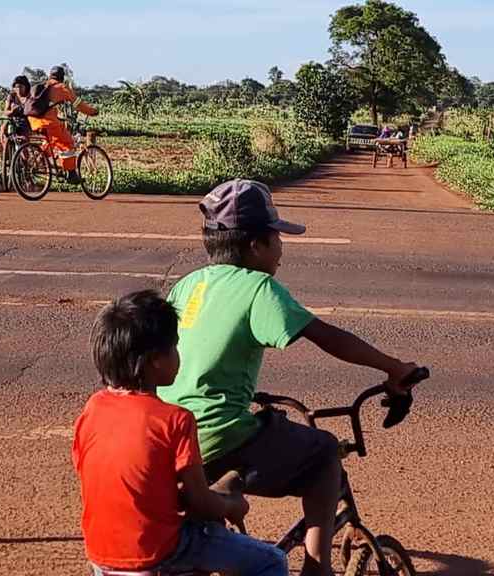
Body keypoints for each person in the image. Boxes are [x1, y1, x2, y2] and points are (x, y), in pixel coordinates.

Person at [158, 179, 421, 576]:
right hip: (221, 433)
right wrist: (393, 368)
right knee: (323, 453)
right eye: (277, 238)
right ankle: (318, 568)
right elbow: (328, 337)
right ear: (254, 245)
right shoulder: (258, 286)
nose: (281, 249)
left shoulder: (187, 284)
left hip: (171, 437)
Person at [73, 290, 287, 576]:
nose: (178, 354)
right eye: (174, 347)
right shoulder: (175, 419)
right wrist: (232, 505)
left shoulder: (93, 409)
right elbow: (201, 500)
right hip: (157, 553)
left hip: (102, 555)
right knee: (271, 561)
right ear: (155, 360)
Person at [27, 65, 98, 181]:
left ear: (50, 75)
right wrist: (92, 111)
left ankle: (35, 164)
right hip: (47, 122)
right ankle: (71, 174)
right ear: (62, 77)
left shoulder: (43, 86)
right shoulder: (61, 88)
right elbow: (78, 104)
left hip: (33, 120)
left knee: (49, 143)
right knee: (68, 143)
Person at [0, 75, 32, 157]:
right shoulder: (11, 96)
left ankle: (25, 163)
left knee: (23, 144)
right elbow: (6, 111)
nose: (18, 89)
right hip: (12, 120)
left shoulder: (29, 97)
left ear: (26, 87)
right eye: (16, 87)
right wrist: (12, 111)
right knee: (3, 130)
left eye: (21, 87)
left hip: (25, 122)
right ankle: (6, 151)